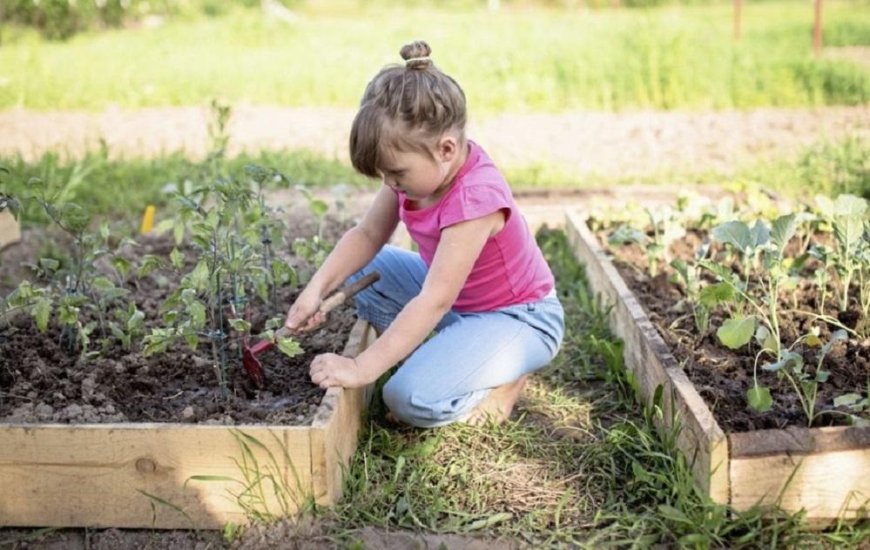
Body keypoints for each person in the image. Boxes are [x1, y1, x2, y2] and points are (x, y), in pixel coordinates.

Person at [284, 40, 564, 428]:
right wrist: (314, 291)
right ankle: (447, 357)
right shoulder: (416, 165)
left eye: (396, 174)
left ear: (446, 149)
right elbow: (367, 235)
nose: (390, 183)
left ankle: (497, 386)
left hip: (517, 319)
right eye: (385, 174)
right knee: (363, 267)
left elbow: (433, 300)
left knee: (407, 398)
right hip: (462, 306)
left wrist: (361, 367)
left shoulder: (474, 198)